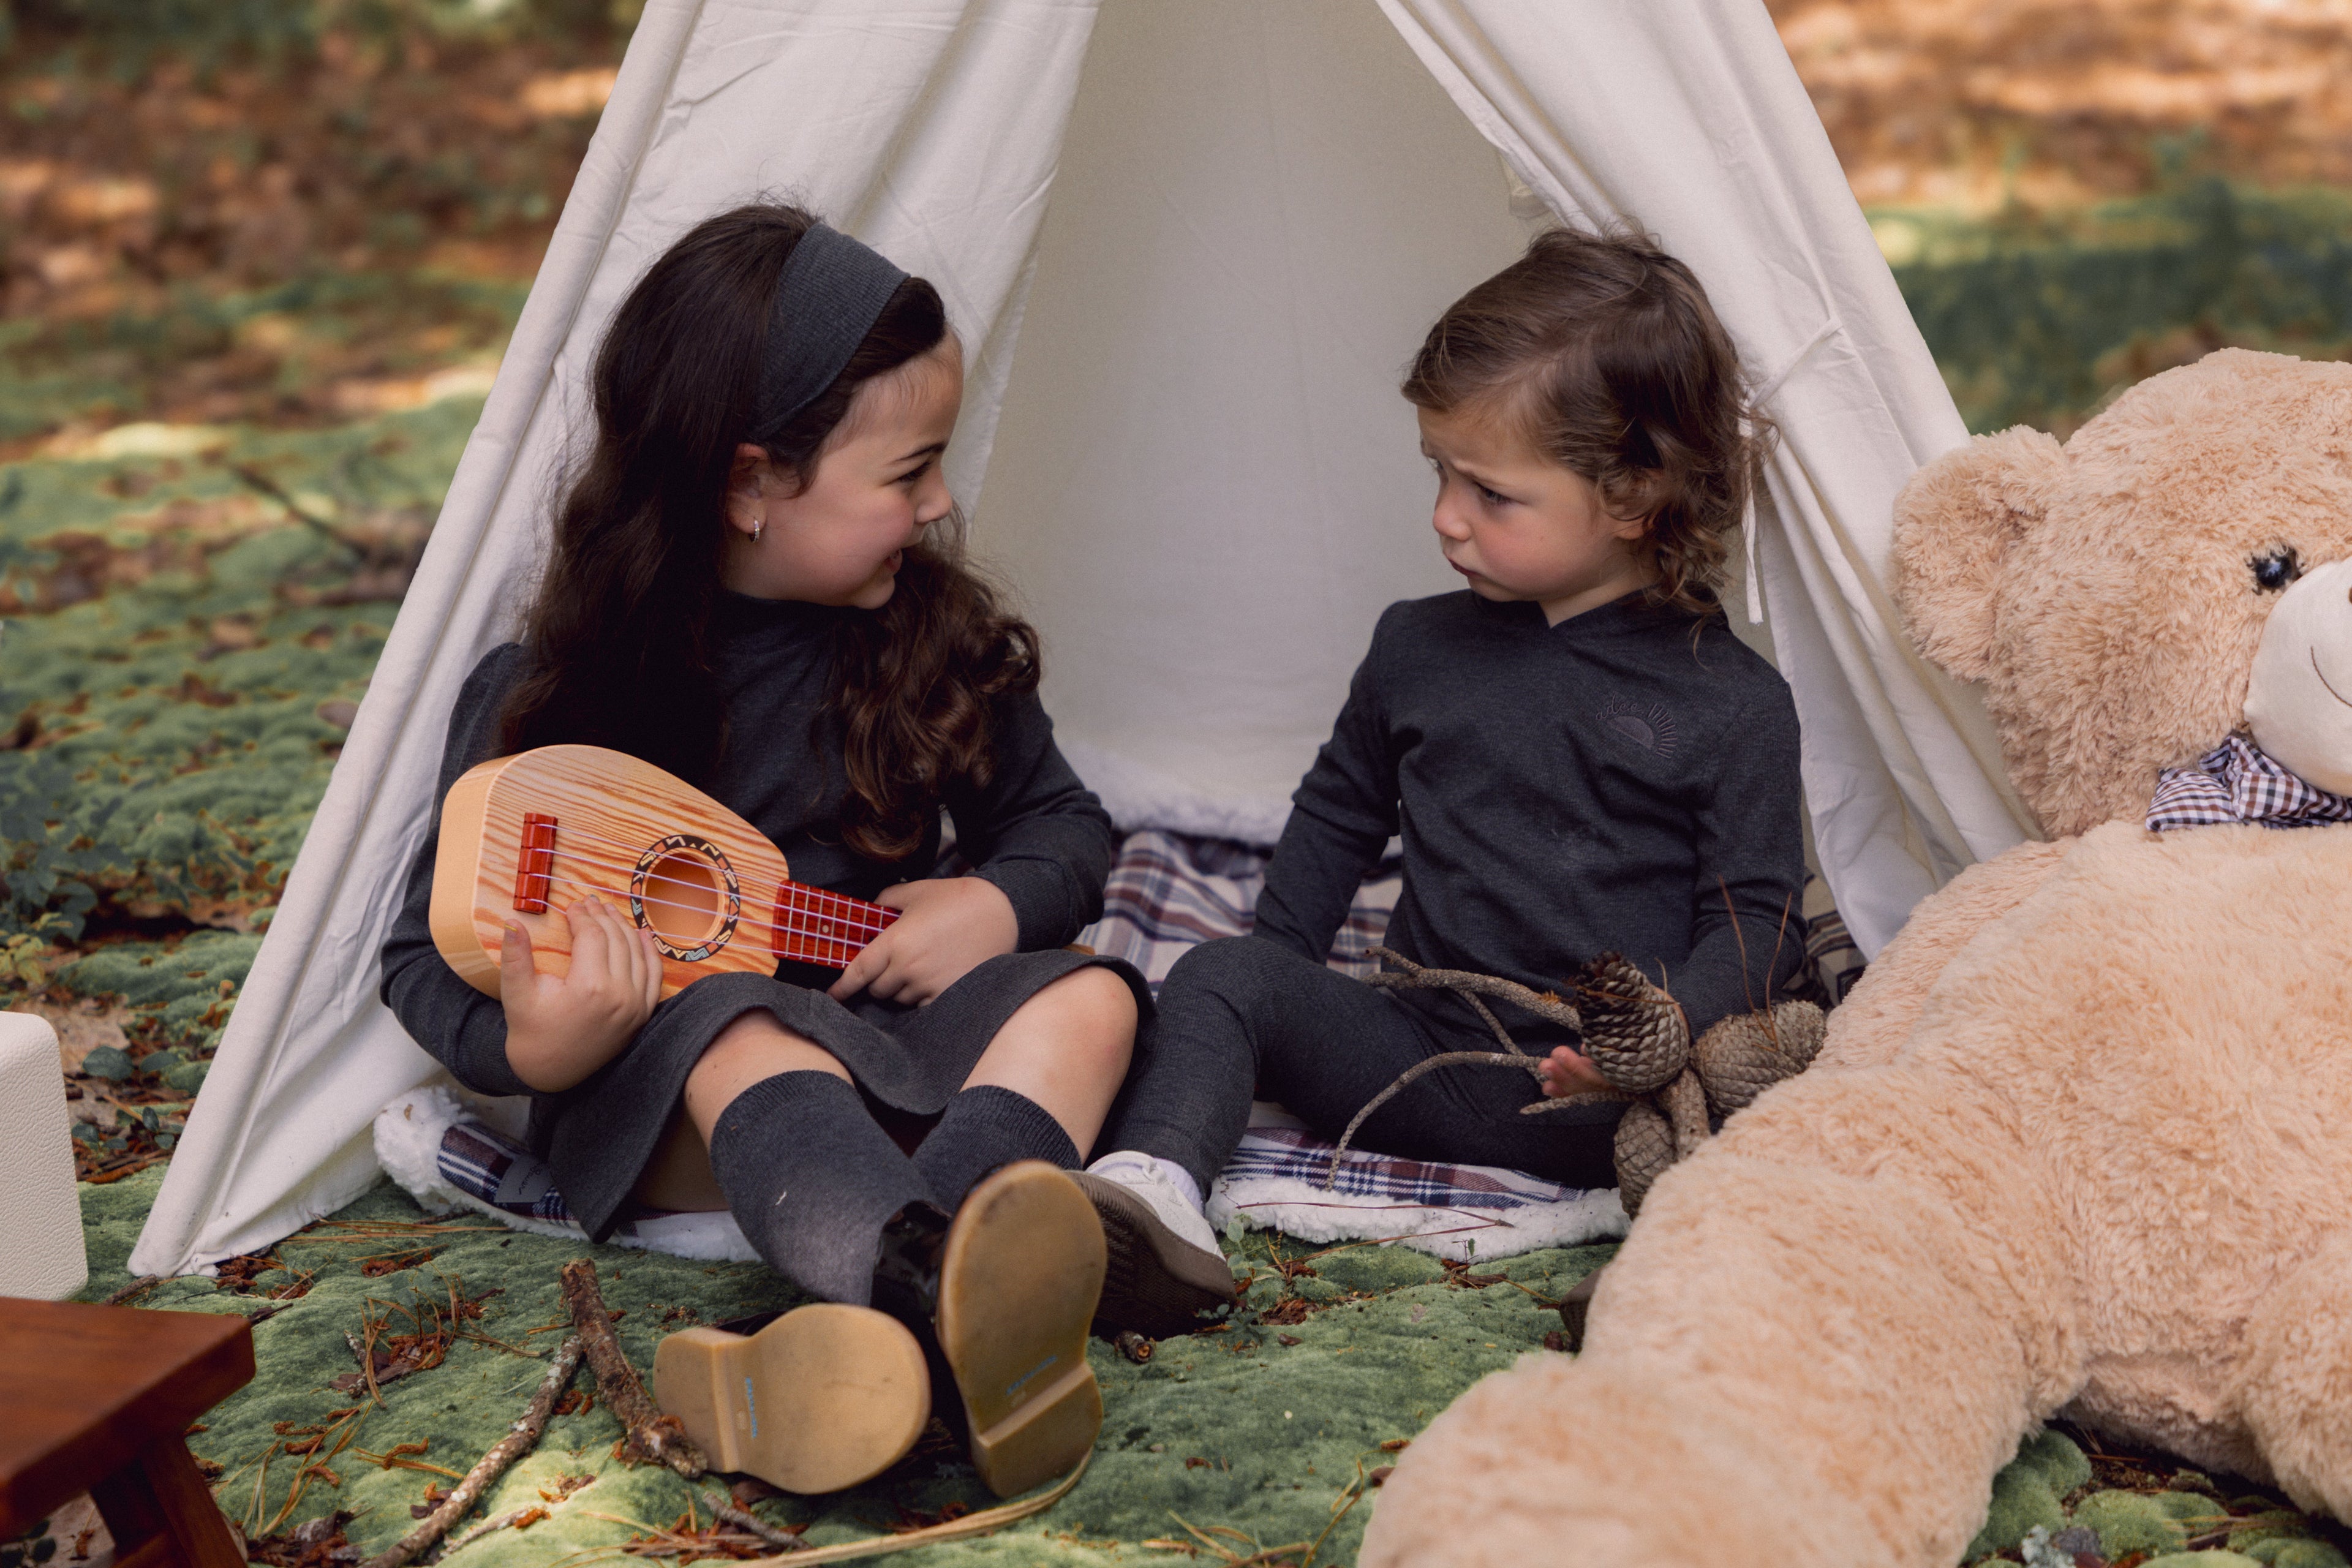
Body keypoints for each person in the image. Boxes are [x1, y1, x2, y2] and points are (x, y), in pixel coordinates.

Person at [378, 204, 1148, 1499]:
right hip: (681, 1101)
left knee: (1095, 996)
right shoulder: (558, 696)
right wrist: (534, 1051)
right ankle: (944, 1308)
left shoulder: (929, 637)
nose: (940, 503)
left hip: (885, 1052)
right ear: (748, 486)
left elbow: (1064, 825)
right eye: (908, 474)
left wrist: (994, 905)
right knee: (738, 1021)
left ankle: (899, 1320)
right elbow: (416, 955)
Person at [1076, 226, 1807, 1336]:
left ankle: (1655, 1284)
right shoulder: (1417, 647)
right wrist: (1281, 982)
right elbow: (1337, 814)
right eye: (1439, 472)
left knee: (1770, 1104)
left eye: (1491, 494)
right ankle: (1150, 1210)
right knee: (1221, 977)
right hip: (1413, 1062)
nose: (1445, 517)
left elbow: (1755, 921)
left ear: (1634, 493)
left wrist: (1641, 1047)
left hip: (1605, 1107)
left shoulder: (1733, 704)